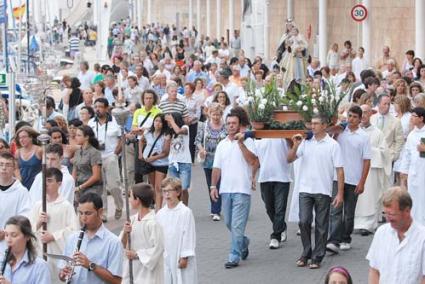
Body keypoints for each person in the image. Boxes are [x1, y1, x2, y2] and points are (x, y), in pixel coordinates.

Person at [287, 114, 344, 269]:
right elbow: (289, 159)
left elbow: (339, 170)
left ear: (324, 126)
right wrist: (295, 145)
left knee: (321, 225)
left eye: (316, 124)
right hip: (305, 189)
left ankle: (317, 257)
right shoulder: (304, 142)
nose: (312, 126)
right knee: (303, 221)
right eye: (311, 123)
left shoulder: (332, 145)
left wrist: (339, 193)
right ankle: (306, 252)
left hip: (323, 190)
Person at [210, 112, 258, 269]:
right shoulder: (222, 144)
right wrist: (213, 186)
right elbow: (216, 168)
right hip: (225, 190)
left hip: (242, 189)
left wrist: (241, 144)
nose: (231, 125)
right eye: (229, 123)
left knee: (237, 225)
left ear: (239, 125)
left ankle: (234, 255)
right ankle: (243, 242)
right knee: (230, 223)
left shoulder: (248, 141)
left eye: (234, 123)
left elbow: (253, 161)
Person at [327, 106, 371, 253]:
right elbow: (330, 142)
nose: (350, 119)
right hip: (337, 177)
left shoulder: (364, 137)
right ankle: (334, 240)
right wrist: (335, 131)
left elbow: (366, 161)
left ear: (359, 119)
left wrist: (362, 182)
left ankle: (346, 238)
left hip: (353, 179)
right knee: (335, 209)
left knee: (349, 212)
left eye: (354, 117)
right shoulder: (340, 132)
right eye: (349, 116)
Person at [59, 193, 123, 283]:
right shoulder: (72, 238)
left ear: (100, 212)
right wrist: (63, 274)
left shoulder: (113, 242)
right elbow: (62, 273)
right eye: (80, 213)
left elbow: (117, 281)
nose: (83, 218)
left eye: (88, 213)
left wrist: (90, 265)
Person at [30, 167, 78, 284]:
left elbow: (74, 231)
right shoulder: (38, 205)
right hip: (40, 254)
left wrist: (53, 236)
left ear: (59, 184)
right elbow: (28, 230)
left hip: (58, 255)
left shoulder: (66, 206)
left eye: (50, 181)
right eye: (44, 180)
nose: (46, 184)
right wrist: (39, 223)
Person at [366, 187, 425, 284]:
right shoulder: (381, 233)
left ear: (407, 211)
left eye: (392, 214)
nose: (388, 219)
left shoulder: (422, 238)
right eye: (386, 213)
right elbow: (374, 270)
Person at [354, 105, 391, 235]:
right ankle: (355, 223)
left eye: (366, 112)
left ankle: (369, 224)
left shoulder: (377, 133)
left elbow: (385, 153)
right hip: (356, 169)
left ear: (371, 114)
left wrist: (369, 150)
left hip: (372, 170)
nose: (363, 115)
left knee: (371, 196)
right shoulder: (353, 131)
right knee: (357, 198)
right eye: (361, 113)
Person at [120, 183, 164, 283]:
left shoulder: (154, 223)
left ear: (138, 200)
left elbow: (158, 248)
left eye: (130, 196)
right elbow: (121, 245)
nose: (129, 200)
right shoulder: (131, 220)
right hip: (132, 269)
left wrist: (137, 254)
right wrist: (126, 234)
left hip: (148, 273)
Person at [156, 178, 197, 283]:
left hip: (179, 254)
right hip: (166, 255)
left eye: (170, 191)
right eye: (164, 191)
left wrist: (185, 256)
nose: (167, 194)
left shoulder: (185, 212)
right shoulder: (160, 214)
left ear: (178, 192)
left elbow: (188, 235)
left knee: (182, 279)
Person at [88, 98, 123, 221]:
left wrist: (115, 153)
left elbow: (121, 138)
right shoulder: (91, 122)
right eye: (96, 106)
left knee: (114, 185)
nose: (98, 109)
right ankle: (104, 213)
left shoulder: (115, 121)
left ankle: (119, 206)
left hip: (110, 156)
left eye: (100, 106)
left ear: (107, 108)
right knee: (100, 188)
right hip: (97, 157)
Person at [256, 137, 292, 249]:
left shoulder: (284, 136)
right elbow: (255, 160)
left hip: (282, 177)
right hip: (265, 177)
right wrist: (252, 176)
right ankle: (281, 226)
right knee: (269, 208)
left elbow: (293, 146)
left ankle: (275, 236)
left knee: (280, 208)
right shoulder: (259, 137)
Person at [195, 104, 227, 221]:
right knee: (210, 185)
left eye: (218, 114)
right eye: (213, 114)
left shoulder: (226, 126)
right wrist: (201, 149)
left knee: (217, 184)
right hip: (207, 160)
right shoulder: (204, 126)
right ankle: (214, 206)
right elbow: (197, 140)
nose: (216, 117)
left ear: (221, 114)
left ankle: (216, 210)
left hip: (221, 161)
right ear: (209, 114)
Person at [0, 216, 51, 284]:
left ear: (27, 236)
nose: (8, 240)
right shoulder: (1, 261)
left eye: (14, 235)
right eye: (6, 235)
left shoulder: (40, 266)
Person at [0, 152, 32, 254]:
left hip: (10, 242)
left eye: (8, 165)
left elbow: (24, 217)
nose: (4, 168)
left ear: (14, 168)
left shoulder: (21, 191)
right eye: (1, 164)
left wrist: (6, 232)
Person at [400, 107, 425, 225]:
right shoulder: (411, 134)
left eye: (414, 116)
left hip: (423, 171)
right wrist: (403, 171)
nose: (411, 118)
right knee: (414, 199)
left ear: (421, 118)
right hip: (414, 172)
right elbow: (407, 154)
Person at [139, 114, 170, 209]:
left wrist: (154, 158)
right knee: (152, 186)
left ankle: (159, 209)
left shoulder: (166, 135)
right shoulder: (148, 132)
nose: (158, 123)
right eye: (156, 121)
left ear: (163, 124)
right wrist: (140, 154)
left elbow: (165, 152)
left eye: (160, 121)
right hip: (149, 162)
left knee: (158, 187)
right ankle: (157, 205)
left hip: (161, 163)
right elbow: (141, 141)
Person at [165, 112, 192, 206]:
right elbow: (166, 150)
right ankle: (177, 208)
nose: (168, 123)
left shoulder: (185, 127)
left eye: (170, 120)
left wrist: (172, 121)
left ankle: (185, 208)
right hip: (173, 163)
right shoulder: (169, 132)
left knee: (184, 188)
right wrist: (167, 139)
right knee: (174, 189)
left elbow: (179, 131)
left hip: (184, 162)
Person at [72, 126, 103, 206]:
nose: (76, 137)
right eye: (76, 135)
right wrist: (72, 186)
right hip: (79, 187)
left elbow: (96, 176)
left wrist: (80, 187)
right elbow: (74, 172)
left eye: (79, 135)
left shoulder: (94, 152)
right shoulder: (77, 152)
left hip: (93, 188)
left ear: (86, 137)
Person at [370, 94, 404, 164]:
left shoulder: (396, 121)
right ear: (378, 104)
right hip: (371, 157)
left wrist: (394, 156)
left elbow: (399, 141)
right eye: (385, 104)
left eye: (389, 104)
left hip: (387, 158)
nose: (387, 106)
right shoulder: (371, 119)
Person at [14, 126, 42, 190]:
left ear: (31, 138)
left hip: (37, 186)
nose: (21, 140)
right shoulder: (17, 152)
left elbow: (46, 167)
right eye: (19, 138)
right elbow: (16, 168)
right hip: (22, 186)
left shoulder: (39, 150)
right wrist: (19, 179)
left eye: (24, 137)